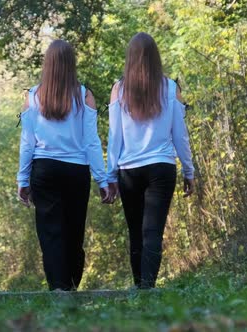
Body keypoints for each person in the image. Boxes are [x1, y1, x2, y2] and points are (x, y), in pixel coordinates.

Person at [16, 39, 111, 291]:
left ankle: (59, 288)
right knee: (73, 230)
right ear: (71, 64)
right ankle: (70, 284)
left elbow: (27, 143)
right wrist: (102, 179)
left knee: (50, 233)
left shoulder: (32, 97)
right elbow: (92, 141)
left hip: (44, 170)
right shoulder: (84, 96)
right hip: (75, 172)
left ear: (47, 64)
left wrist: (22, 180)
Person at [106, 32, 195, 289]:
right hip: (161, 168)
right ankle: (147, 288)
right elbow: (181, 135)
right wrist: (188, 170)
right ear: (156, 58)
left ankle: (140, 287)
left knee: (136, 232)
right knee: (153, 231)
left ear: (130, 58)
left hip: (129, 171)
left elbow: (115, 138)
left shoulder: (118, 91)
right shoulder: (170, 88)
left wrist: (110, 176)